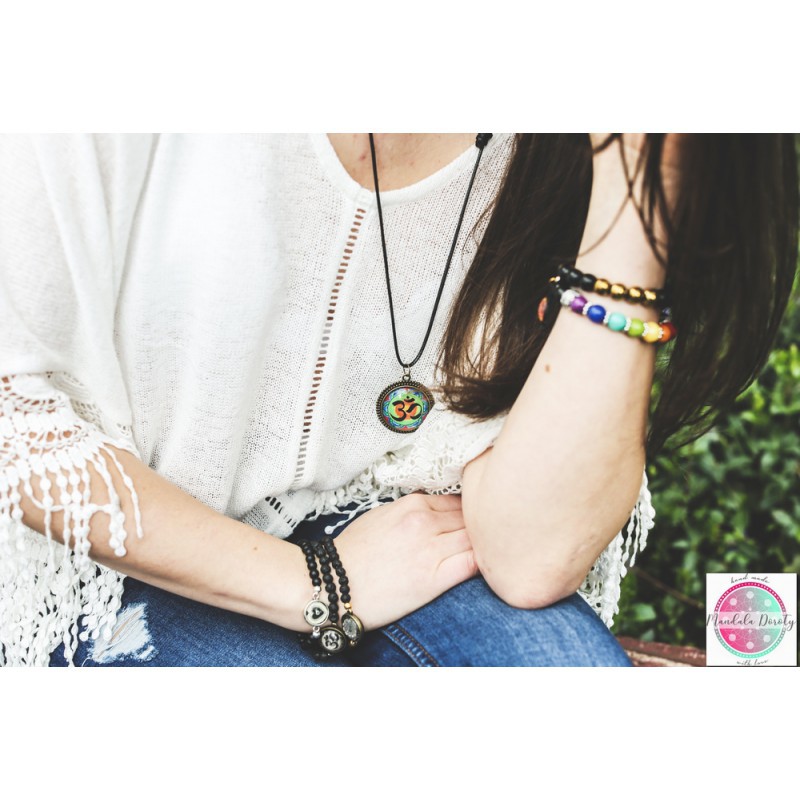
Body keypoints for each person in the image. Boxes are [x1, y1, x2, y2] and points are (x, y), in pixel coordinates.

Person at [0, 133, 796, 667]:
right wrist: (314, 585)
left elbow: (531, 557)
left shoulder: (565, 147)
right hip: (90, 550)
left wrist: (637, 193)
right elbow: (13, 414)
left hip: (386, 523)